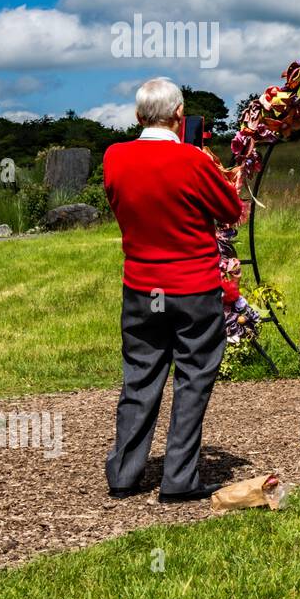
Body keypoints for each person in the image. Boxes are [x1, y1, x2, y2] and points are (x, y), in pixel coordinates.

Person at [103, 77, 244, 503]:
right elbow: (230, 211)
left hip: (141, 286)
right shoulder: (192, 161)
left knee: (140, 377)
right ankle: (180, 478)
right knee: (193, 378)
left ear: (137, 116)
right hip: (193, 286)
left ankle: (125, 473)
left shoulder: (114, 157)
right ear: (180, 116)